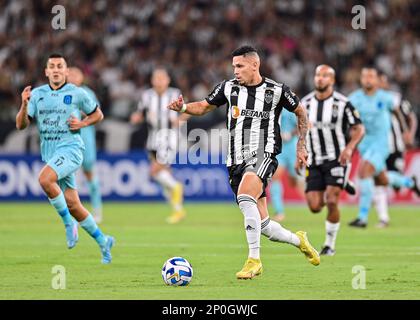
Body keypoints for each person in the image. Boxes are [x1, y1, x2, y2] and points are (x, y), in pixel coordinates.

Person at [167, 45, 320, 280]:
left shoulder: (277, 91)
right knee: (264, 224)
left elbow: (301, 112)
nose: (235, 71)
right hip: (235, 159)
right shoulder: (228, 88)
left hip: (264, 152)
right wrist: (184, 107)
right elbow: (205, 106)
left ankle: (254, 260)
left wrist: (302, 145)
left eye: (240, 66)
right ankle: (298, 239)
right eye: (233, 67)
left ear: (254, 65)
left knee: (246, 195)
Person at [15, 53, 114, 264]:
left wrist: (83, 124)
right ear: (46, 71)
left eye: (60, 66)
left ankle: (69, 224)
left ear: (66, 71)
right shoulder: (37, 94)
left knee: (44, 180)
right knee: (73, 204)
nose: (56, 69)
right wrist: (24, 105)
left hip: (71, 150)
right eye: (52, 66)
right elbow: (21, 125)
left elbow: (98, 114)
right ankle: (103, 241)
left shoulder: (77, 93)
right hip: (51, 153)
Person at [299, 65, 364, 256]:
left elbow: (359, 128)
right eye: (318, 75)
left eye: (325, 76)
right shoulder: (306, 102)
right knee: (315, 206)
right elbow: (301, 128)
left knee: (332, 199)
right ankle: (344, 182)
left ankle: (329, 245)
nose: (320, 78)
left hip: (337, 159)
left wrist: (350, 147)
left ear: (332, 80)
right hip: (314, 159)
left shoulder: (343, 103)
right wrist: (300, 150)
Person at [348, 67, 420, 228]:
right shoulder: (354, 98)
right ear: (361, 79)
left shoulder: (386, 98)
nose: (368, 79)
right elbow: (347, 117)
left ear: (377, 80)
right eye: (365, 76)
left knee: (364, 171)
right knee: (382, 179)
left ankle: (362, 217)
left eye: (371, 76)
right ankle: (409, 183)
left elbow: (398, 114)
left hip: (381, 144)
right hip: (364, 144)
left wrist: (406, 132)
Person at [131, 68, 189, 224]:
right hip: (153, 138)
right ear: (152, 80)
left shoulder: (175, 93)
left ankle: (176, 188)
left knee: (155, 170)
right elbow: (140, 113)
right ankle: (178, 209)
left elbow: (187, 111)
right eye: (156, 78)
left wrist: (180, 120)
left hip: (169, 136)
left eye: (162, 78)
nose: (159, 80)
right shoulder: (146, 95)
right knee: (160, 174)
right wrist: (136, 117)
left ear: (168, 80)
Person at [373, 72, 418, 228]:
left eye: (382, 81)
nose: (379, 84)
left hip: (395, 146)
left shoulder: (395, 98)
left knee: (394, 183)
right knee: (378, 180)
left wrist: (409, 134)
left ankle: (408, 182)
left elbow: (411, 117)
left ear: (386, 83)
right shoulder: (368, 100)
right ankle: (383, 218)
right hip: (377, 146)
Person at [67, 67, 103, 223]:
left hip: (86, 139)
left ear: (82, 77)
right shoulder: (62, 93)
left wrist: (79, 116)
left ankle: (97, 210)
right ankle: (72, 212)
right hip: (67, 142)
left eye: (77, 74)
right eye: (71, 74)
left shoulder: (87, 93)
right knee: (68, 177)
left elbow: (96, 113)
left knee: (89, 173)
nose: (74, 77)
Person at [268, 111, 304, 222]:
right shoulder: (270, 107)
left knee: (295, 181)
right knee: (275, 177)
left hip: (291, 149)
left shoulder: (289, 108)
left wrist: (290, 134)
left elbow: (301, 125)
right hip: (278, 149)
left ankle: (315, 201)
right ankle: (279, 211)